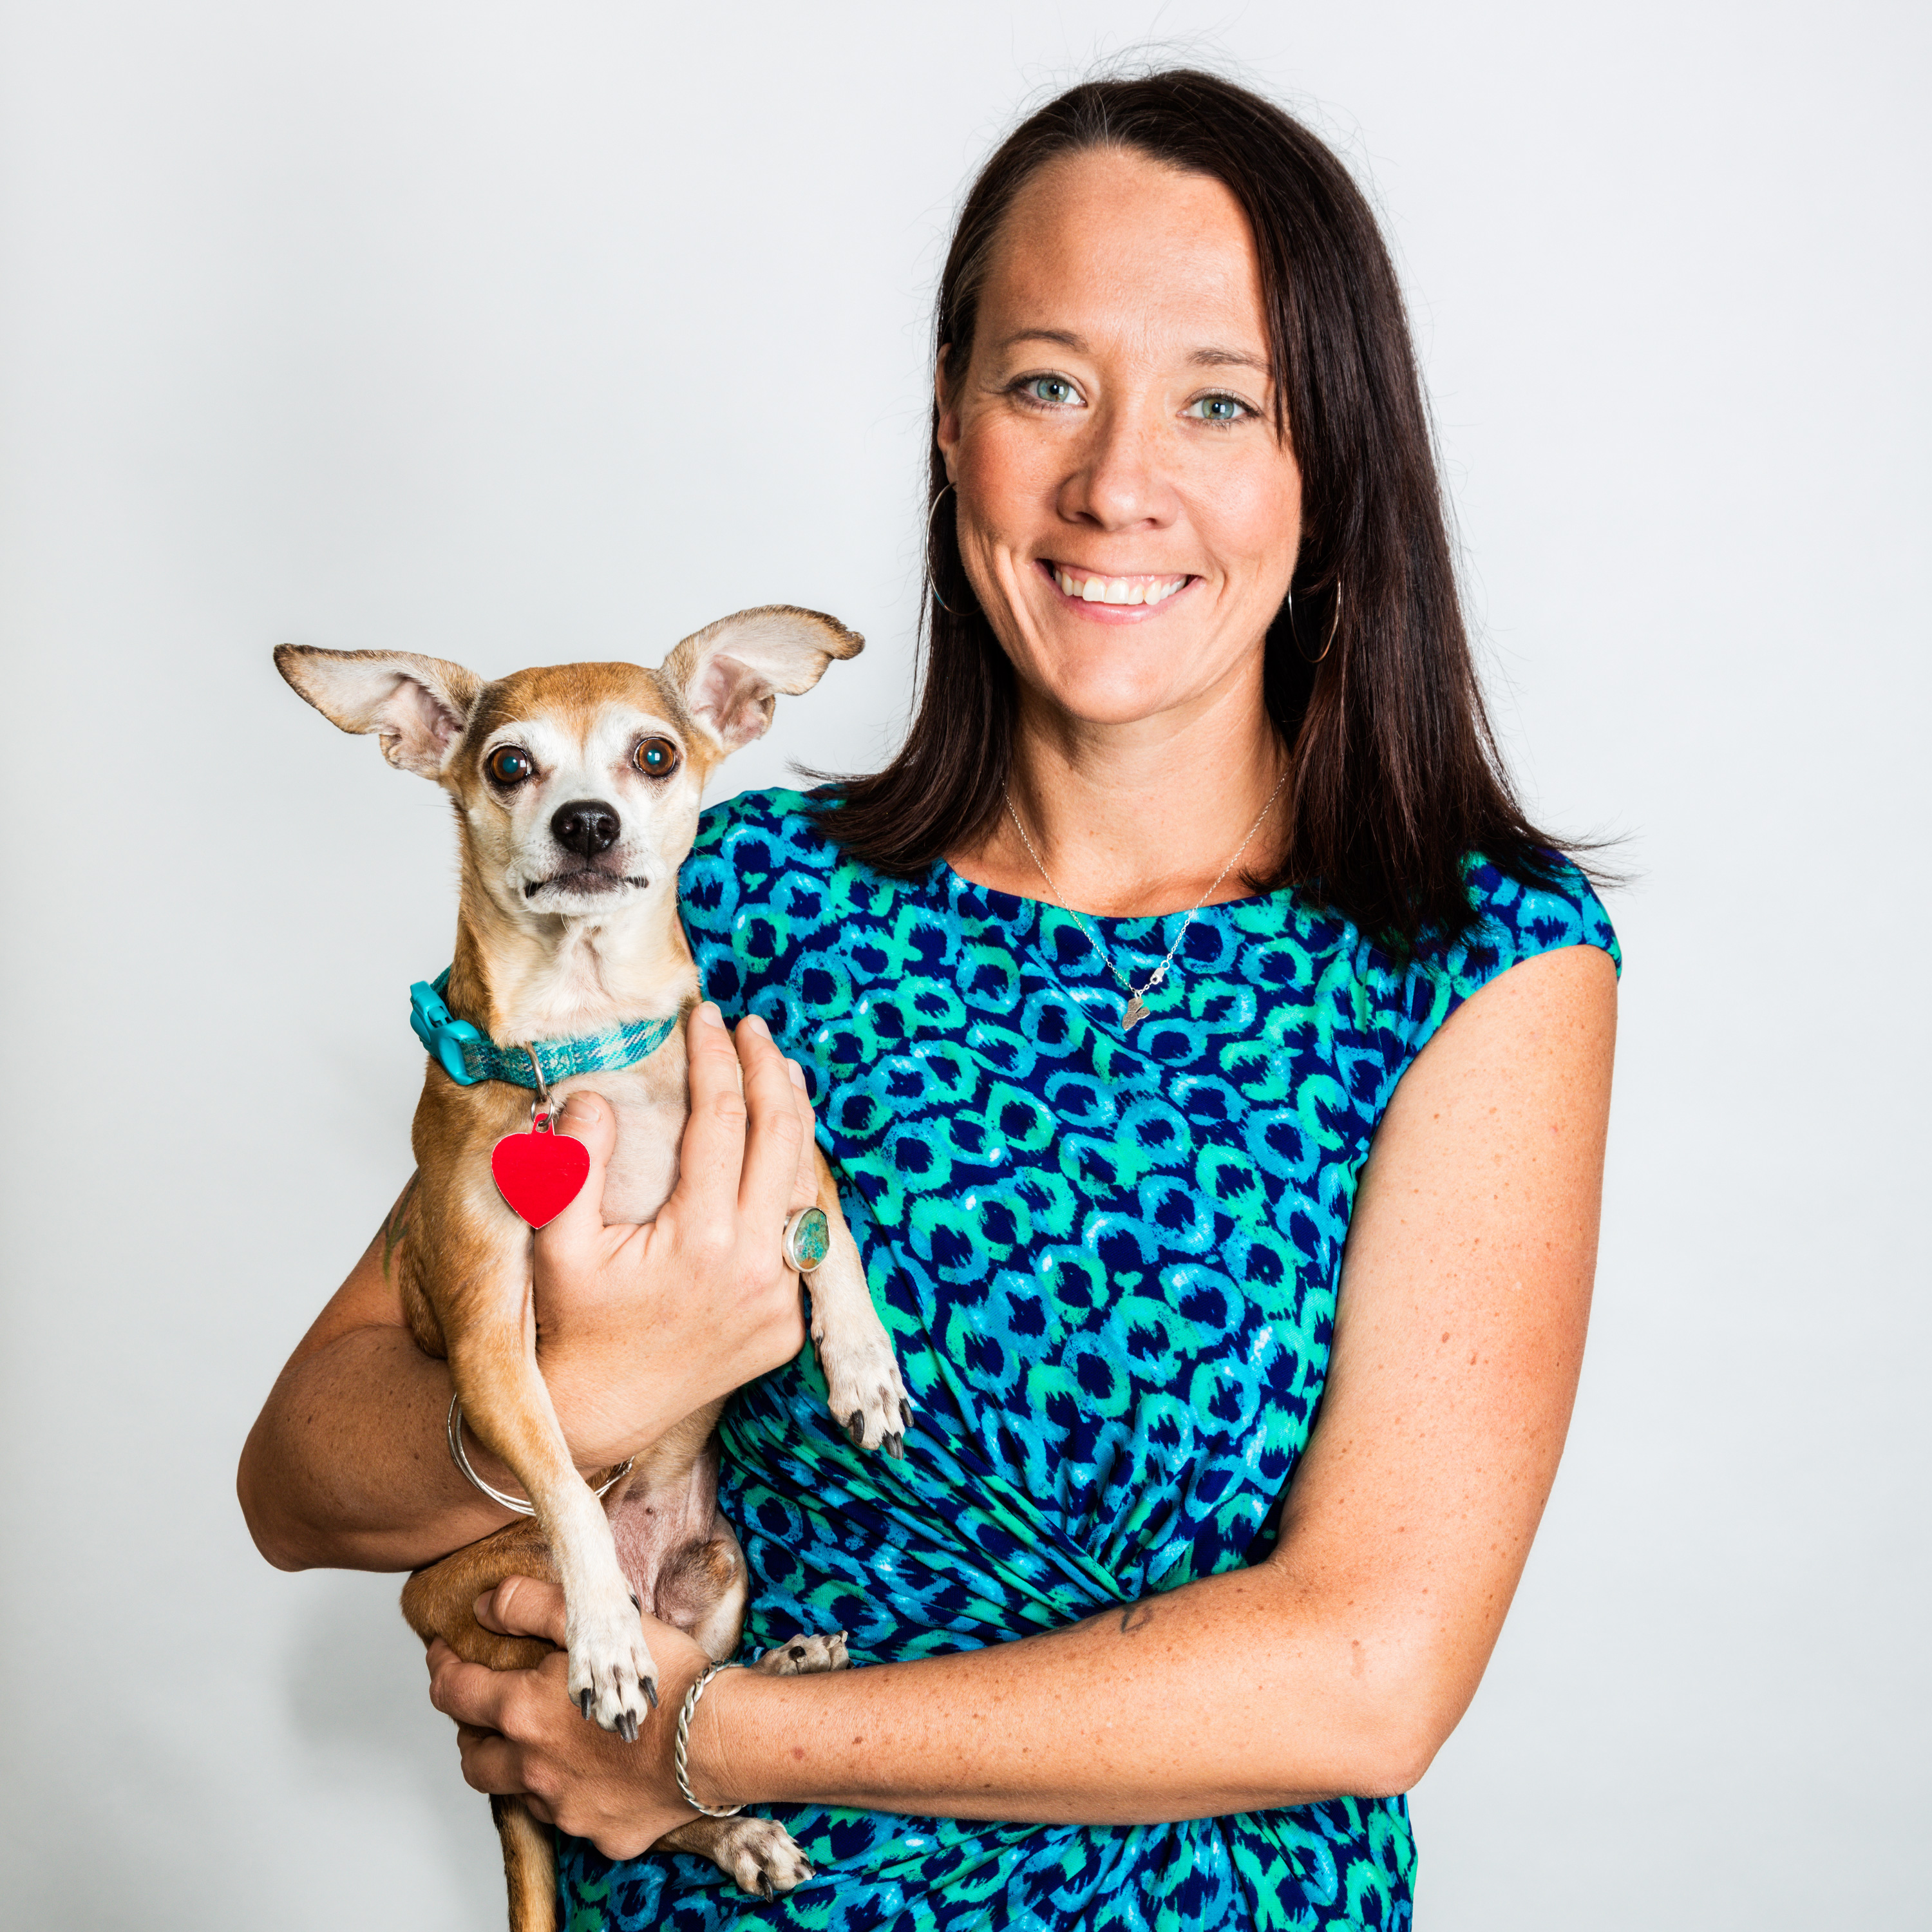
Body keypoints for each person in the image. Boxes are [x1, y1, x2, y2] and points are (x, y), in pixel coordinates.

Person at [239, 69, 1618, 1931]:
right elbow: (306, 1478)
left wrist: (711, 1745)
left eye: (1223, 402)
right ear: (953, 427)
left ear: (1332, 466)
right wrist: (603, 1381)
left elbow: (1369, 1675)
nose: (1117, 483)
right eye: (1045, 383)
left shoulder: (1477, 956)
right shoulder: (717, 885)